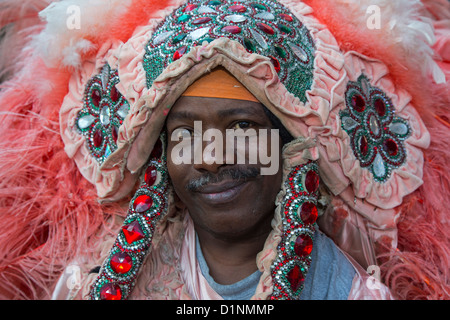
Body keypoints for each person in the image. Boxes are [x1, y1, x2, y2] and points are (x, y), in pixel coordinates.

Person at [0, 0, 448, 300]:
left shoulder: (346, 289)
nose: (211, 157)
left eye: (241, 127)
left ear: (292, 147)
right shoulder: (100, 277)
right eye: (186, 132)